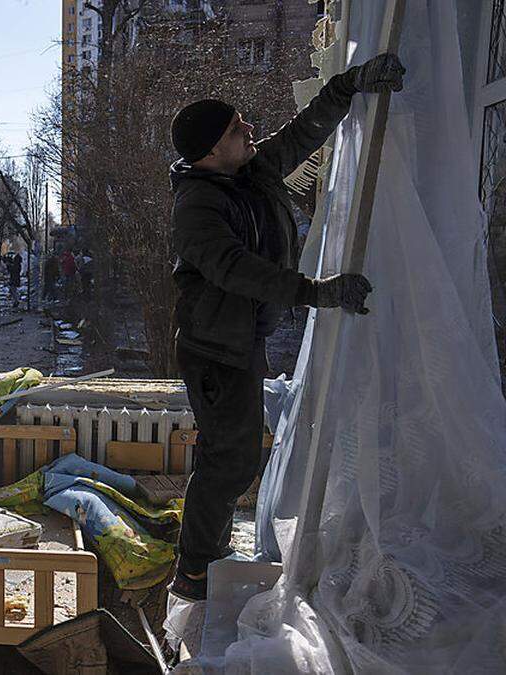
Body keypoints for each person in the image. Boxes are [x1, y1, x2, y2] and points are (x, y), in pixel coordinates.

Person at [165, 53, 403, 602]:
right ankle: (197, 569)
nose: (247, 128)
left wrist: (345, 88)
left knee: (229, 453)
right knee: (233, 456)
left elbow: (300, 136)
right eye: (234, 128)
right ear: (209, 151)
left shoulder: (248, 172)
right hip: (214, 351)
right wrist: (315, 292)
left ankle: (203, 558)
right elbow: (233, 269)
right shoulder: (196, 205)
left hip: (237, 341)